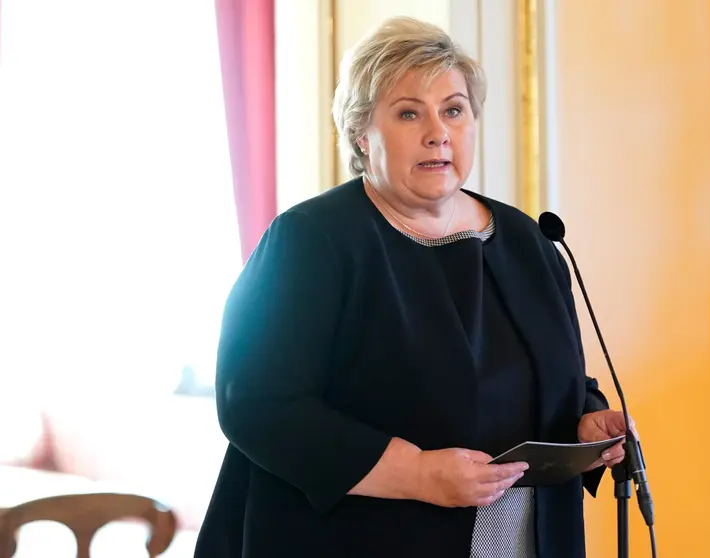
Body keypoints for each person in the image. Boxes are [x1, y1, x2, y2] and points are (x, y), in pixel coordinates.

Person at [195, 16, 635, 558]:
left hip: (523, 539)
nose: (437, 132)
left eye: (453, 109)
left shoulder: (527, 241)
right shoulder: (311, 241)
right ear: (362, 132)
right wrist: (418, 474)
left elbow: (554, 375)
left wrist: (587, 420)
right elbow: (256, 404)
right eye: (409, 113)